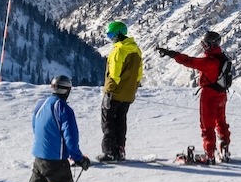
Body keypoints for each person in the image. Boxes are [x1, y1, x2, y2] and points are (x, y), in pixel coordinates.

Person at [10, 76, 89, 182]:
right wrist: (78, 158)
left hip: (39, 158)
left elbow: (35, 127)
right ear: (68, 90)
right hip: (56, 162)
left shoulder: (41, 105)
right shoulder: (65, 109)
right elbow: (70, 137)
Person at [157, 30, 232, 163]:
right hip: (221, 95)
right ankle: (224, 147)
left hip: (209, 96)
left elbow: (189, 61)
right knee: (221, 122)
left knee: (207, 126)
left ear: (212, 45)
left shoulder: (210, 62)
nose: (204, 47)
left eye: (206, 45)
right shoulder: (222, 57)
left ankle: (209, 154)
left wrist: (172, 54)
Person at [95, 20, 143, 162]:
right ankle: (120, 151)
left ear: (118, 34)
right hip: (128, 94)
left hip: (115, 92)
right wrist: (133, 90)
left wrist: (108, 92)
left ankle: (109, 152)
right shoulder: (136, 49)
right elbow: (139, 74)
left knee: (108, 121)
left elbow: (113, 74)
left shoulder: (119, 50)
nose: (110, 38)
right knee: (121, 121)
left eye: (111, 35)